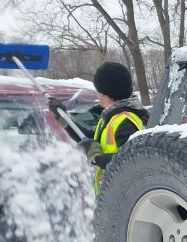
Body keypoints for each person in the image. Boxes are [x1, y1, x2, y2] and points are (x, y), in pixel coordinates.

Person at [49, 62, 149, 194]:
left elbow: (135, 159)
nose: (97, 95)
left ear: (104, 93)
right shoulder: (117, 117)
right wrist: (64, 120)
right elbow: (89, 137)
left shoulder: (124, 121)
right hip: (117, 198)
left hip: (124, 199)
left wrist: (99, 158)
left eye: (98, 91)